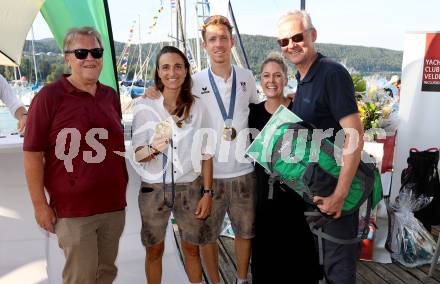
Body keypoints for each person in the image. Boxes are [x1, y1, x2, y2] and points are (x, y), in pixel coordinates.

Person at [144, 15, 259, 284]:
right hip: (208, 174)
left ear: (231, 41)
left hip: (243, 169)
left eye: (223, 38)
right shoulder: (192, 81)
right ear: (205, 45)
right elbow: (169, 96)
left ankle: (241, 279)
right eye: (212, 39)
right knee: (208, 236)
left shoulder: (247, 77)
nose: (218, 44)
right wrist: (154, 91)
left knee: (245, 232)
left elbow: (257, 109)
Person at [23, 26, 128, 284]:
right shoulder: (49, 97)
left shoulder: (110, 96)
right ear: (68, 58)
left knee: (106, 273)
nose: (89, 58)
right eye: (81, 52)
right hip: (74, 211)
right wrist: (40, 205)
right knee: (81, 278)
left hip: (113, 206)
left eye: (96, 52)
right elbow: (32, 154)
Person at [277, 10, 364, 284]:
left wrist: (340, 193)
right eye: (283, 41)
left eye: (297, 37)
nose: (291, 45)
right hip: (318, 196)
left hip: (336, 199)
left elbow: (355, 134)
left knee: (338, 274)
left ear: (312, 35)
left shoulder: (331, 73)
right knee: (324, 270)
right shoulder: (305, 79)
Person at [132, 45, 214, 284]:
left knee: (191, 250)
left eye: (178, 66)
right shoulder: (144, 106)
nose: (172, 72)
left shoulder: (198, 107)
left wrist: (207, 192)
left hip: (190, 187)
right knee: (154, 251)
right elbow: (137, 155)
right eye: (165, 67)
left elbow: (206, 153)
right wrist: (154, 148)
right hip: (153, 190)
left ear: (187, 71)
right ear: (158, 72)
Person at [248, 53, 321, 283]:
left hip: (294, 194)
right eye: (266, 76)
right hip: (263, 195)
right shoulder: (253, 113)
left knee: (298, 257)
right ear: (260, 80)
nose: (272, 80)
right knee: (265, 259)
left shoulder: (299, 109)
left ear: (286, 78)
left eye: (277, 75)